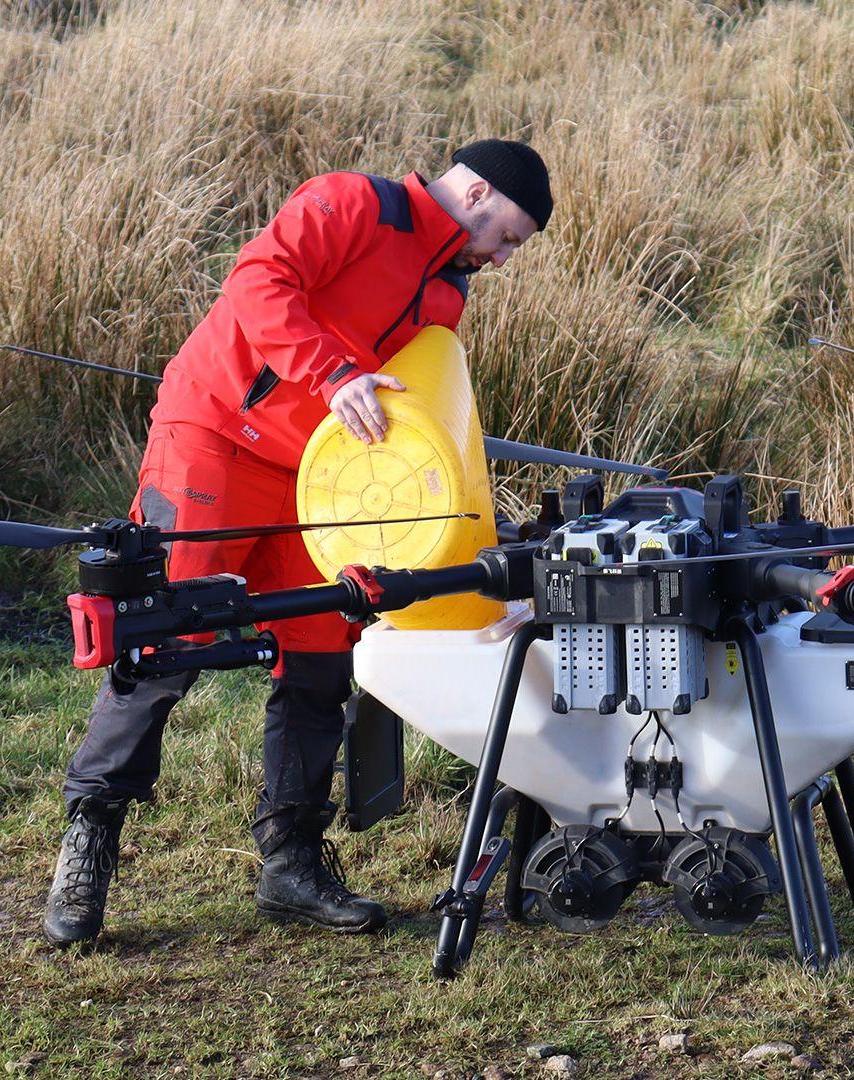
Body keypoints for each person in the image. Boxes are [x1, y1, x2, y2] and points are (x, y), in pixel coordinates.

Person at [41, 139, 552, 945]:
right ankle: (88, 846)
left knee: (322, 653)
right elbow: (256, 283)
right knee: (165, 635)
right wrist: (333, 372)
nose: (505, 256)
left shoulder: (448, 295)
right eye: (510, 237)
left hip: (318, 482)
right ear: (477, 191)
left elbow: (414, 400)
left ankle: (291, 863)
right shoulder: (355, 203)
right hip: (213, 434)